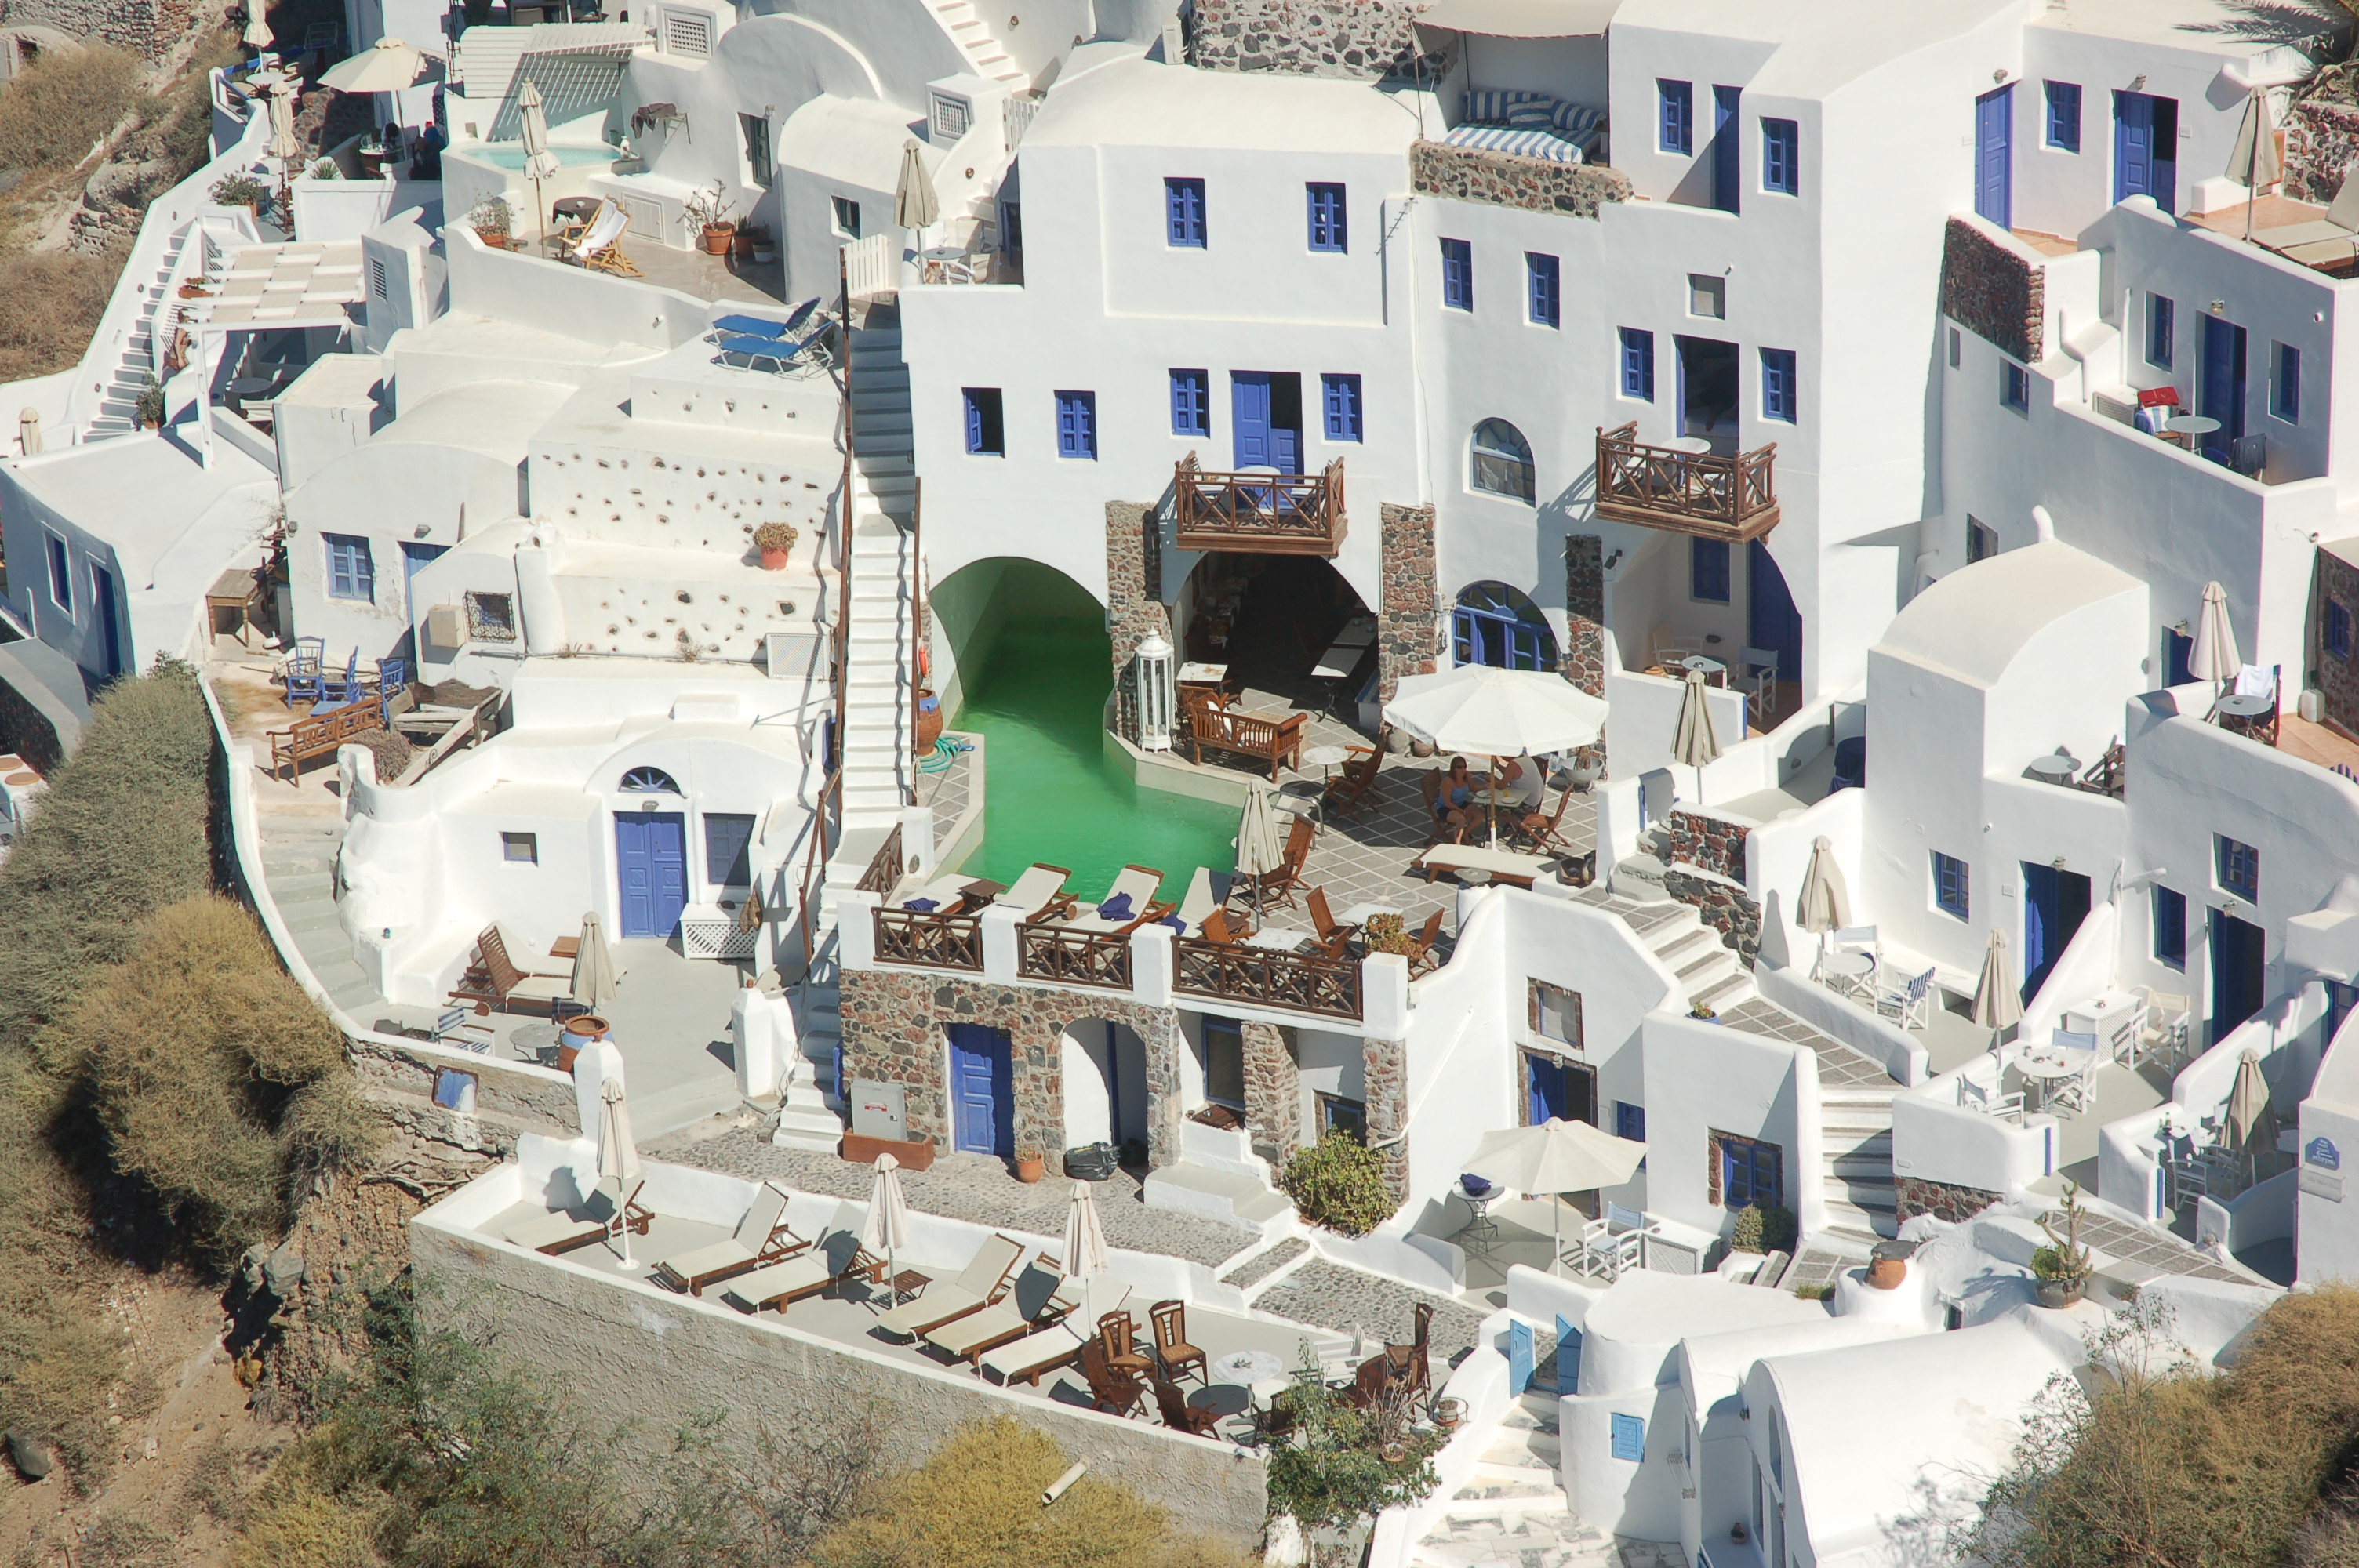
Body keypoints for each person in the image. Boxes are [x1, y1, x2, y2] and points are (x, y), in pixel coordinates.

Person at [1430, 756, 1475, 841]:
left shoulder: (1466, 776)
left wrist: (1486, 787)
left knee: (1480, 814)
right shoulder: (1448, 781)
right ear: (1453, 769)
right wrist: (1460, 811)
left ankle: (1465, 833)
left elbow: (1473, 788)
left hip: (1460, 803)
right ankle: (1457, 844)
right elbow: (1447, 803)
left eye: (1464, 767)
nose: (1463, 770)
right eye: (1459, 767)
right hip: (1445, 808)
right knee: (1461, 819)